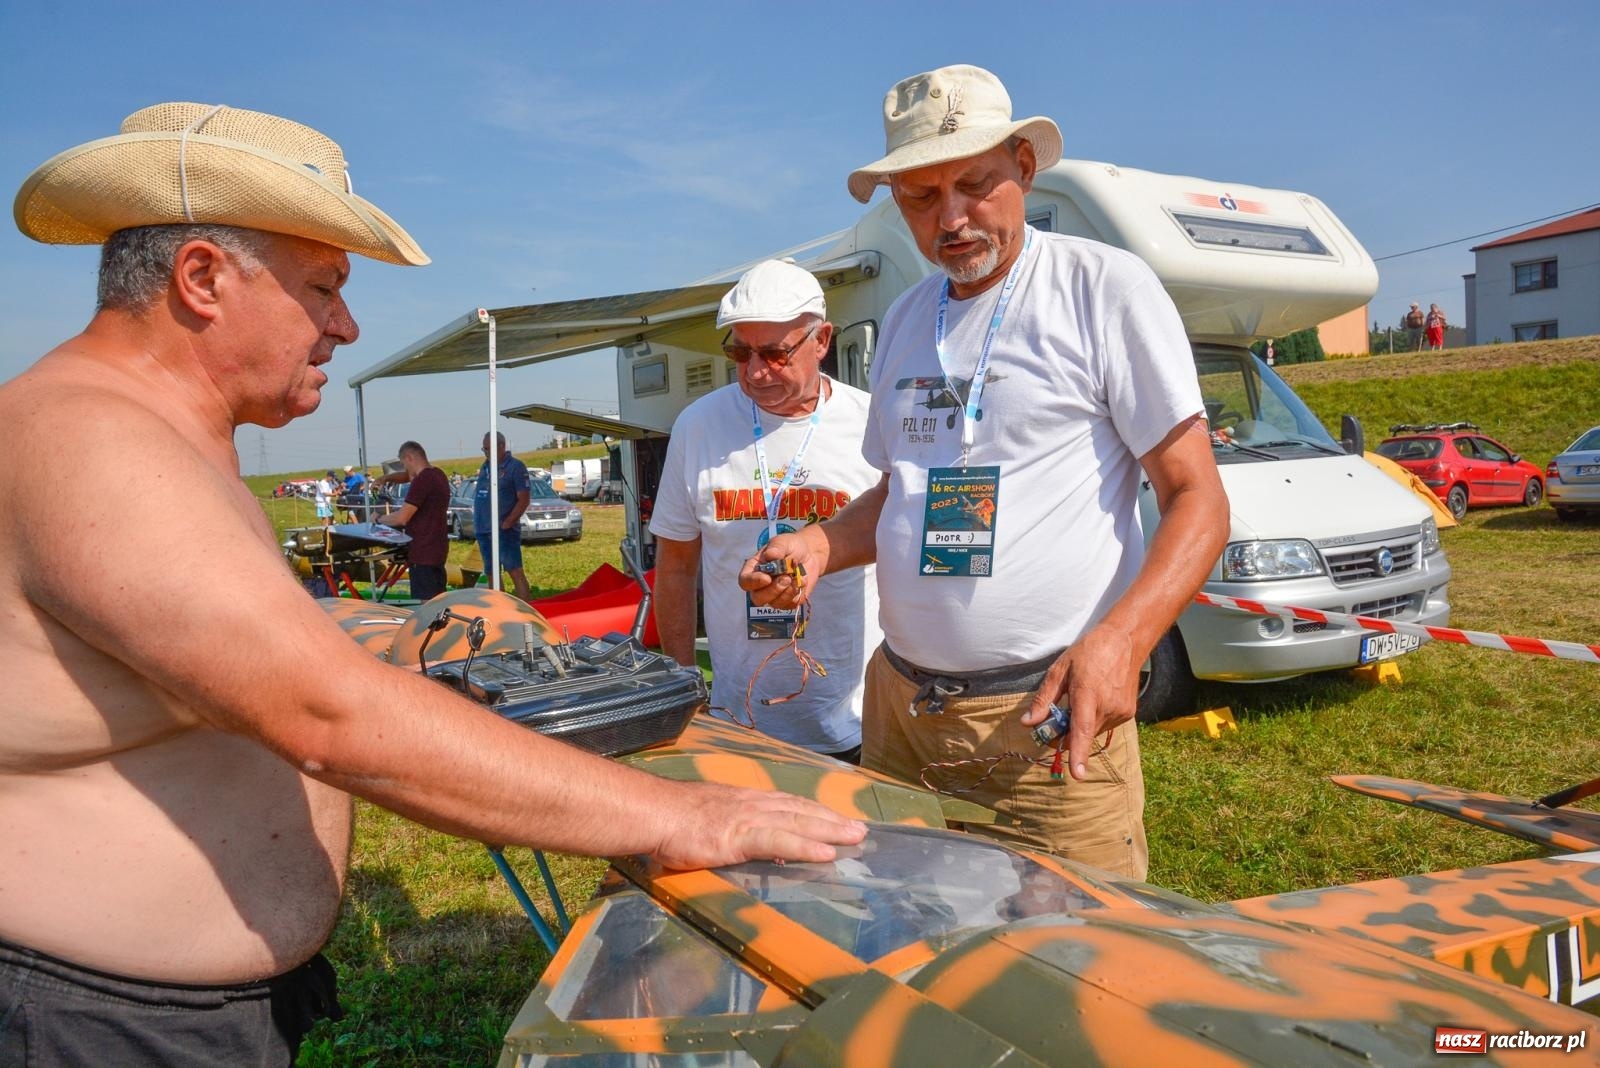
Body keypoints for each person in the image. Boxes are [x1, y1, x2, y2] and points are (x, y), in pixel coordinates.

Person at [0, 101, 862, 1065]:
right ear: (202, 278)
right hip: (88, 1023)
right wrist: (685, 814)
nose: (346, 324)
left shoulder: (140, 439)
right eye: (323, 287)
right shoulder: (98, 447)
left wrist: (394, 630)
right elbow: (326, 715)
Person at [742, 65, 1228, 880]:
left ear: (1025, 168)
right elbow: (901, 492)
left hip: (1046, 722)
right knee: (911, 939)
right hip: (901, 711)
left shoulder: (1101, 289)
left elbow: (1198, 497)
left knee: (1074, 968)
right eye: (921, 199)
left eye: (974, 184)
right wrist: (822, 544)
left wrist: (1123, 640)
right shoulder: (904, 318)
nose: (952, 219)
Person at [650, 260, 882, 763]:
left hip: (858, 718)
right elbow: (675, 565)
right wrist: (684, 685)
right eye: (740, 351)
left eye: (776, 353)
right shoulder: (699, 426)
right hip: (739, 719)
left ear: (821, 340)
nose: (755, 372)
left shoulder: (870, 421)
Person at [376, 441, 451, 601]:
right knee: (439, 603)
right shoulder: (438, 474)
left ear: (409, 458)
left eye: (404, 464)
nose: (405, 469)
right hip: (438, 548)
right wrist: (387, 478)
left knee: (425, 606)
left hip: (422, 552)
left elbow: (402, 518)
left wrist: (379, 519)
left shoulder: (422, 480)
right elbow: (408, 476)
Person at [474, 431, 533, 601]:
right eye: (484, 449)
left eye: (489, 449)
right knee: (492, 573)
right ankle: (499, 607)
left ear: (502, 446)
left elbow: (524, 499)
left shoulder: (515, 467)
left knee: (514, 570)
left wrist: (508, 522)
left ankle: (527, 611)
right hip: (484, 529)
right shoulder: (485, 467)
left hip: (504, 530)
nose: (486, 453)